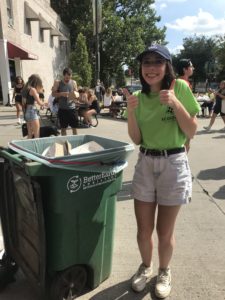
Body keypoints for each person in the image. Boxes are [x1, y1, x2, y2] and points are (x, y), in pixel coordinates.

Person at [124, 44, 200, 298]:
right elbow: (136, 139)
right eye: (146, 62)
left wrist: (176, 103)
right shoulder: (139, 97)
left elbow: (191, 131)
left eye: (158, 62)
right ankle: (146, 267)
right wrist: (131, 112)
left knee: (164, 231)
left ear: (167, 66)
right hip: (146, 163)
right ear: (141, 68)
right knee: (143, 230)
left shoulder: (179, 87)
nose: (151, 68)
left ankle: (164, 270)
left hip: (173, 162)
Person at [51, 67, 79, 135]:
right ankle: (65, 143)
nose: (67, 79)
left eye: (69, 77)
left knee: (74, 128)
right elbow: (53, 94)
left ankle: (75, 142)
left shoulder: (74, 82)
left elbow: (77, 94)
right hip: (62, 109)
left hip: (72, 109)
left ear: (71, 75)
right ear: (63, 75)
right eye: (66, 78)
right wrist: (61, 94)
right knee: (63, 128)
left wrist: (74, 95)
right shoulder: (58, 83)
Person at [177, 59, 195, 152]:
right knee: (185, 146)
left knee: (185, 145)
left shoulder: (179, 82)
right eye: (191, 66)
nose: (193, 68)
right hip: (184, 119)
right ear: (185, 69)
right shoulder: (182, 83)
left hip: (181, 118)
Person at [22, 74, 45, 139]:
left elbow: (23, 103)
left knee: (30, 134)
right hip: (32, 111)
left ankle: (26, 148)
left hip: (26, 111)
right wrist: (45, 103)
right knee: (36, 134)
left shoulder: (25, 89)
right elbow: (39, 103)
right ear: (36, 82)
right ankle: (35, 149)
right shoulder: (33, 90)